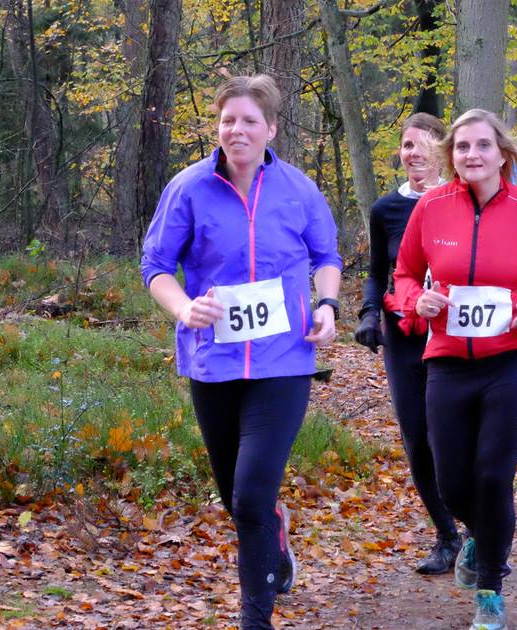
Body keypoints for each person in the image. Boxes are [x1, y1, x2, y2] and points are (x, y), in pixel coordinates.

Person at [140, 75, 341, 628]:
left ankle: (256, 618)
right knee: (237, 497)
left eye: (250, 120)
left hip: (284, 361)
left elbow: (327, 255)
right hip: (215, 362)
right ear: (218, 126)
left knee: (251, 494)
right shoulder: (188, 187)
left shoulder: (298, 189)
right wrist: (183, 308)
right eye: (229, 120)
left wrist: (328, 307)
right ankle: (273, 541)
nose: (238, 130)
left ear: (271, 128)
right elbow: (155, 266)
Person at [393, 108, 517, 629]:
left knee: (493, 474)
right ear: (451, 156)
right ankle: (481, 536)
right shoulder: (430, 207)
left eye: (482, 146)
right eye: (462, 147)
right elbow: (403, 275)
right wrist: (416, 300)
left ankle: (490, 589)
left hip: (514, 358)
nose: (472, 155)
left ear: (502, 153)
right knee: (451, 482)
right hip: (448, 360)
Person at [353, 113, 462, 574]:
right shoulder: (385, 210)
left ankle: (479, 530)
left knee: (455, 438)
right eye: (405, 146)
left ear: (442, 149)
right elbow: (379, 272)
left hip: (456, 334)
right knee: (418, 439)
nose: (412, 153)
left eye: (421, 145)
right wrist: (368, 312)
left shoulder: (461, 200)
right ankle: (446, 536)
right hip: (404, 336)